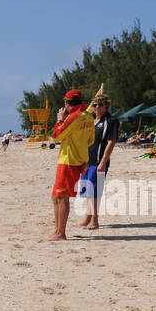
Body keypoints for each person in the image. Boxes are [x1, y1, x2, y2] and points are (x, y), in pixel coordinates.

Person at [47, 88, 95, 241]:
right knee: (56, 196)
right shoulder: (88, 116)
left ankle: (61, 233)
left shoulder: (73, 117)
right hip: (78, 160)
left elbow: (56, 136)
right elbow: (90, 140)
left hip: (69, 161)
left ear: (67, 103)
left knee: (61, 197)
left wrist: (60, 119)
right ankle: (57, 230)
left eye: (65, 103)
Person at [77, 95, 117, 231]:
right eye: (94, 105)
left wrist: (103, 162)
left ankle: (95, 219)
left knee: (95, 191)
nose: (97, 108)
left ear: (106, 106)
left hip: (99, 161)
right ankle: (87, 217)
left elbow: (111, 142)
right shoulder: (90, 120)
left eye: (100, 105)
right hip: (86, 161)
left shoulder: (111, 121)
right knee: (87, 190)